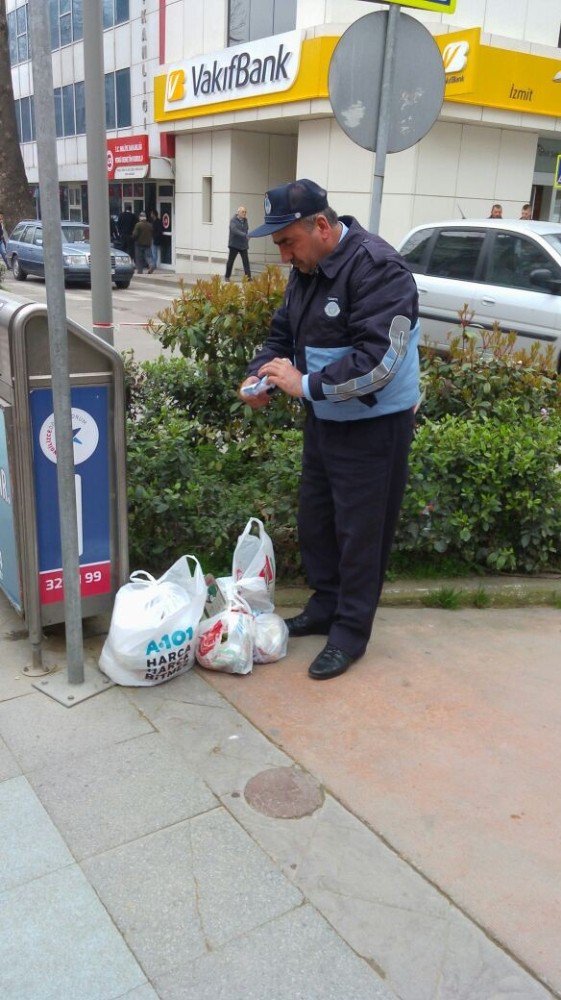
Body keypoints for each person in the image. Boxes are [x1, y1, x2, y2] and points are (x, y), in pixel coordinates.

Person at [238, 179, 420, 681]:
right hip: (325, 419)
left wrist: (305, 384)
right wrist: (260, 378)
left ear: (321, 226)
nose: (282, 257)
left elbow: (380, 365)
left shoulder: (380, 270)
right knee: (317, 518)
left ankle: (350, 632)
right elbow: (282, 336)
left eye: (287, 242)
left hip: (374, 426)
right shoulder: (307, 269)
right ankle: (326, 605)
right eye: (277, 246)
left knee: (361, 532)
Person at [225, 206, 251, 280]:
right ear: (238, 212)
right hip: (234, 245)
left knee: (246, 262)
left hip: (243, 245)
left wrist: (248, 237)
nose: (244, 213)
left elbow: (246, 230)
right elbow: (234, 230)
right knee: (230, 261)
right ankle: (227, 276)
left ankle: (248, 277)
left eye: (245, 212)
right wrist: (244, 235)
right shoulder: (233, 220)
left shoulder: (245, 220)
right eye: (243, 212)